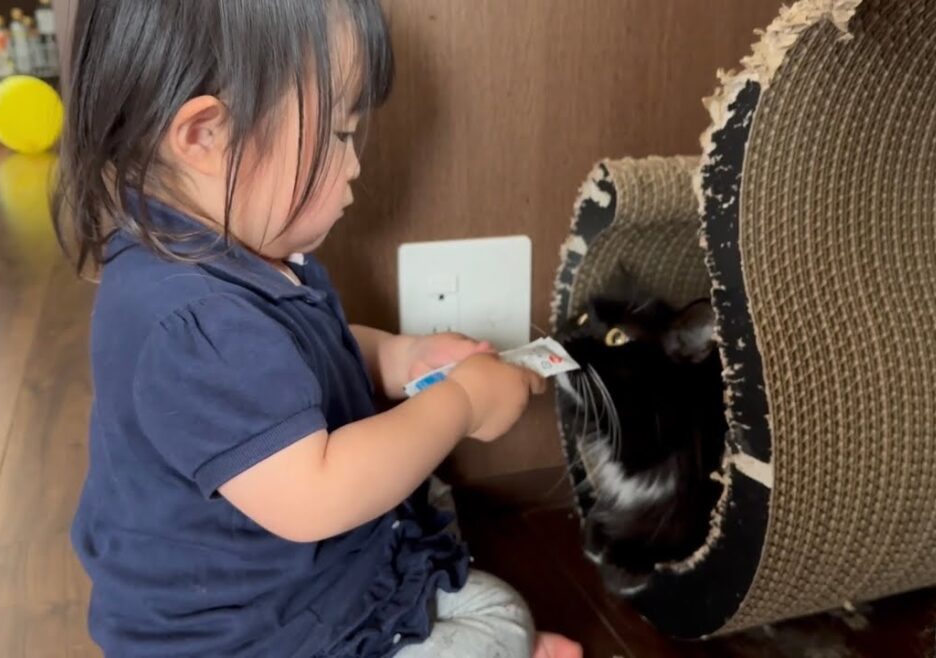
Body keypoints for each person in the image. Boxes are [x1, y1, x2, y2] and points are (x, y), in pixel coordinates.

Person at [56, 2, 582, 656]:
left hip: (309, 587)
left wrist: (398, 354)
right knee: (499, 627)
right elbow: (317, 493)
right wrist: (463, 401)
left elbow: (306, 356)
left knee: (488, 598)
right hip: (251, 638)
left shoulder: (231, 257)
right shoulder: (192, 321)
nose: (355, 164)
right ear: (205, 136)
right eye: (338, 133)